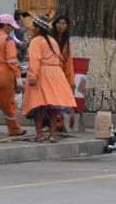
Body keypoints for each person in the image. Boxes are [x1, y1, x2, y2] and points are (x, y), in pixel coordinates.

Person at [22, 14, 77, 143]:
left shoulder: (36, 41)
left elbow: (35, 60)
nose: (32, 29)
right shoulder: (53, 40)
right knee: (53, 107)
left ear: (38, 28)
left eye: (34, 26)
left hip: (42, 74)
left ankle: (39, 135)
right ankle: (52, 135)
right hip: (56, 74)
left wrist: (32, 77)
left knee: (38, 106)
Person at [49, 15, 76, 132]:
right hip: (49, 73)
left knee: (59, 100)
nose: (61, 26)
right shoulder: (49, 38)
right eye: (59, 23)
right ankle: (49, 124)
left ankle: (58, 123)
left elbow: (68, 62)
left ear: (67, 26)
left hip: (60, 75)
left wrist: (70, 81)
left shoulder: (66, 42)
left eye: (63, 23)